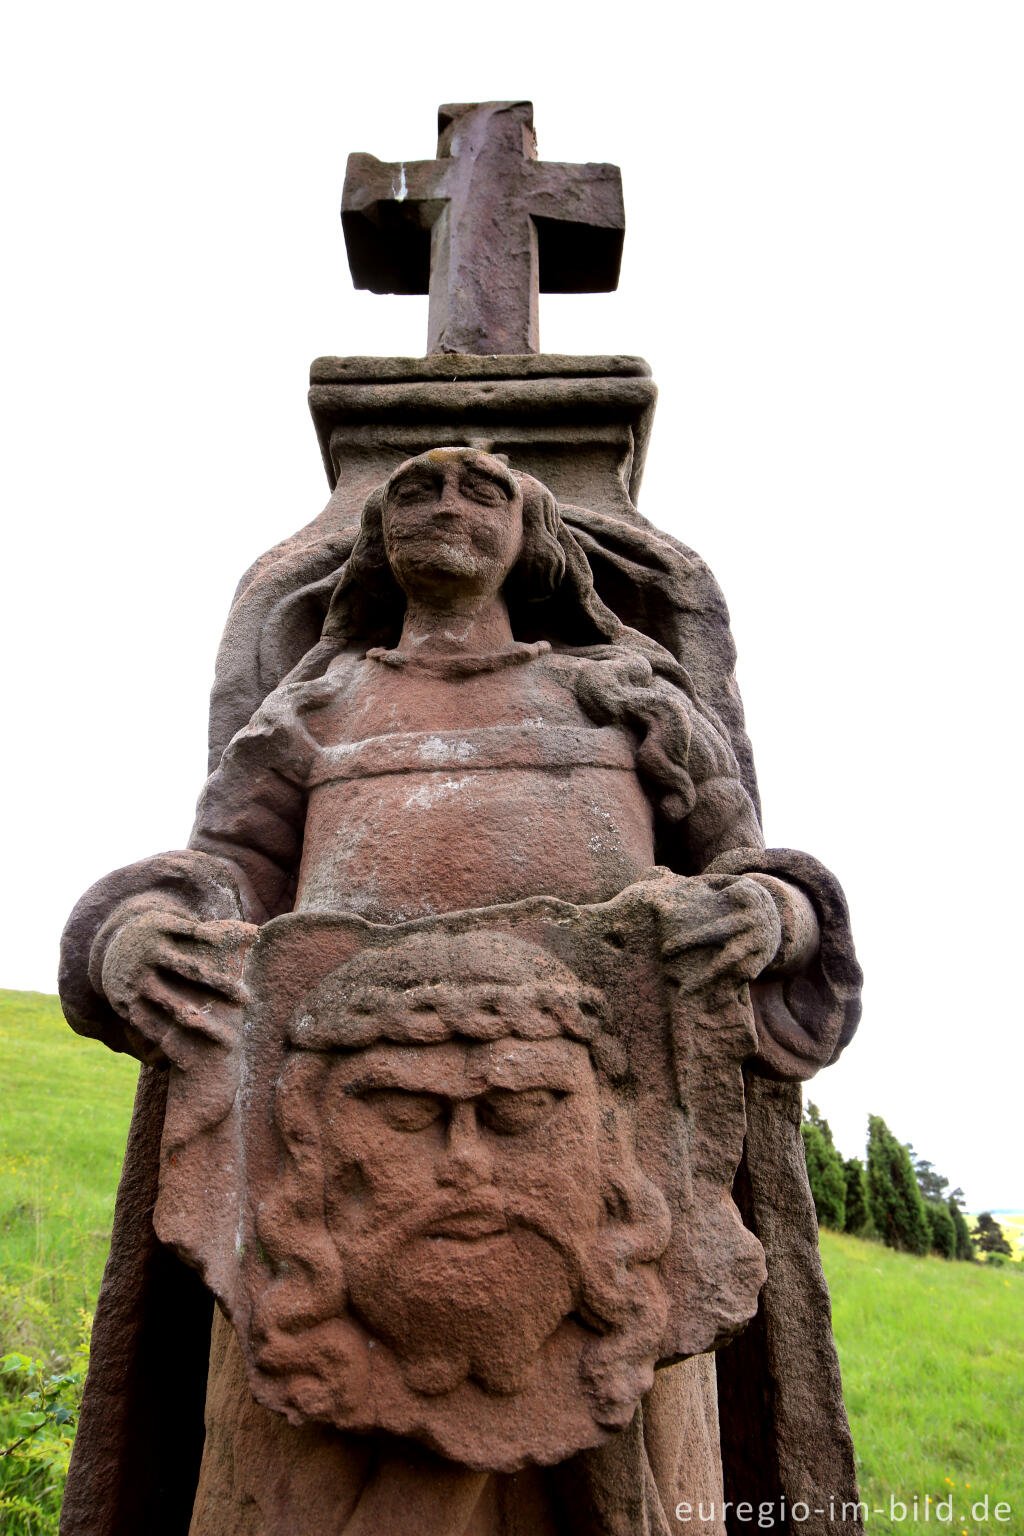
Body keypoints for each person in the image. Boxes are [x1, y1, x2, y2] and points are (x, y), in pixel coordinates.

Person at [59, 449, 862, 1536]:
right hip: (345, 1153)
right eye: (416, 492)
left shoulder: (619, 692)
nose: (445, 506)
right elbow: (226, 869)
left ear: (532, 538)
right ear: (378, 544)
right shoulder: (323, 702)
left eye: (480, 492)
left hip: (599, 1146)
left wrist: (776, 916)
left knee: (642, 1469)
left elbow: (741, 864)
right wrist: (133, 937)